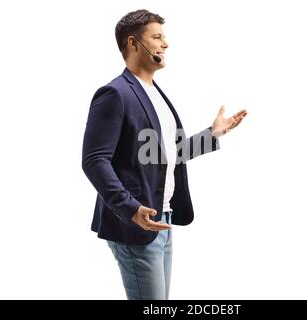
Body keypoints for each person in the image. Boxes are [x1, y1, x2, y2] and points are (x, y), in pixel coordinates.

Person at [81, 9, 247, 300]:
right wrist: (130, 208)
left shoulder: (154, 93)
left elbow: (165, 154)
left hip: (162, 218)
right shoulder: (115, 94)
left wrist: (213, 134)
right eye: (157, 37)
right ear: (134, 44)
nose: (166, 44)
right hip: (134, 224)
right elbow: (94, 160)